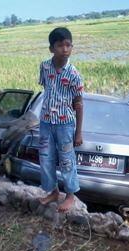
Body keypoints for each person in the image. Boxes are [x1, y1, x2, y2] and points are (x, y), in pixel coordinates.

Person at [38, 27, 84, 213]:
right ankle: (53, 191)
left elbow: (79, 104)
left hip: (65, 124)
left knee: (66, 159)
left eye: (68, 45)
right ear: (51, 48)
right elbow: (46, 91)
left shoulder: (74, 74)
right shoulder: (44, 67)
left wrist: (78, 132)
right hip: (46, 122)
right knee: (46, 157)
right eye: (60, 45)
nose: (64, 49)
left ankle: (71, 195)